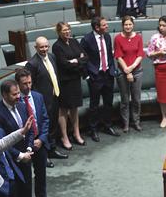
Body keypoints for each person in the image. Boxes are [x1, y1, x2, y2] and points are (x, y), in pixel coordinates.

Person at [0, 80, 42, 197]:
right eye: (14, 94)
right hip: (10, 159)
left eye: (18, 93)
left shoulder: (21, 105)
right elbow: (1, 142)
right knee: (12, 195)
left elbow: (29, 129)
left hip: (26, 154)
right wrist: (19, 155)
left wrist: (28, 149)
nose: (18, 96)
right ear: (4, 95)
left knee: (27, 190)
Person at [15, 69, 59, 197]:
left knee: (41, 175)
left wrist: (42, 139)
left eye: (29, 82)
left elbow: (45, 119)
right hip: (23, 146)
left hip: (40, 142)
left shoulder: (37, 96)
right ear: (18, 84)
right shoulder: (16, 101)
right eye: (24, 84)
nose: (28, 86)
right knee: (26, 180)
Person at [25, 37, 68, 161]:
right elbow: (30, 85)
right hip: (42, 101)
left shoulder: (52, 57)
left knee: (53, 124)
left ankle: (52, 149)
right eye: (41, 47)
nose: (44, 49)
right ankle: (44, 155)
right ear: (36, 48)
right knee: (44, 127)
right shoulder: (32, 64)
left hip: (54, 97)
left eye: (46, 46)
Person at [80, 17, 119, 142]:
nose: (107, 26)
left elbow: (109, 55)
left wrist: (112, 69)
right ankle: (94, 129)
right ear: (97, 27)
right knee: (94, 105)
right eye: (104, 25)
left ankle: (107, 126)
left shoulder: (107, 37)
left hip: (108, 75)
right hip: (95, 76)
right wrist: (86, 75)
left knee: (108, 103)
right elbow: (83, 60)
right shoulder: (86, 40)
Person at [52, 22, 87, 150]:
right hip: (65, 82)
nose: (67, 32)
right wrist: (79, 60)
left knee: (74, 108)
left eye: (68, 29)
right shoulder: (57, 46)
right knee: (64, 110)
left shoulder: (74, 41)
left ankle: (76, 133)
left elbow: (85, 57)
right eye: (64, 30)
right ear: (59, 32)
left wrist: (76, 61)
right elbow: (64, 65)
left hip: (75, 80)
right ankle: (64, 136)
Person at [114, 16, 144, 133]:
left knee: (136, 99)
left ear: (133, 25)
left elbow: (140, 54)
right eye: (125, 25)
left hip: (137, 71)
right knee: (125, 100)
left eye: (130, 24)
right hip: (123, 71)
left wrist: (131, 68)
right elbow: (118, 56)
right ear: (122, 25)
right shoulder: (117, 38)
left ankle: (136, 122)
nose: (128, 27)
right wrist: (127, 70)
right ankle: (125, 123)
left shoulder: (138, 37)